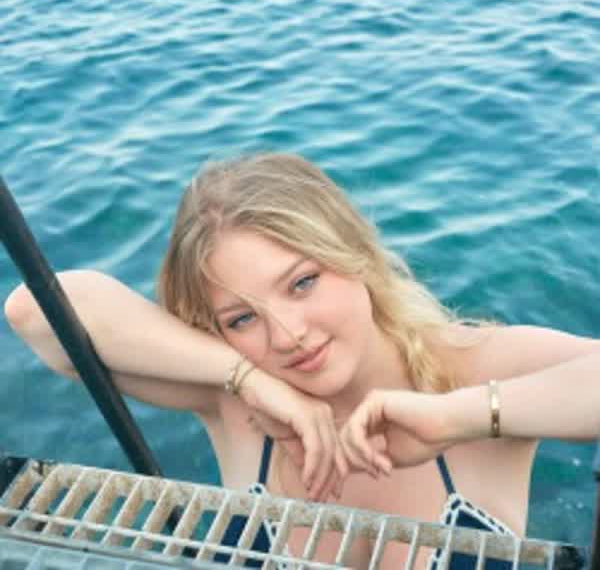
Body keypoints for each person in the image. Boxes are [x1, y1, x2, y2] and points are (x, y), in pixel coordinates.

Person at [4, 152, 600, 569]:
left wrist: (457, 418)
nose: (288, 336)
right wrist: (245, 378)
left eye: (303, 282)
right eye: (242, 318)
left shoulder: (474, 367)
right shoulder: (232, 402)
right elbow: (36, 313)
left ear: (355, 252)